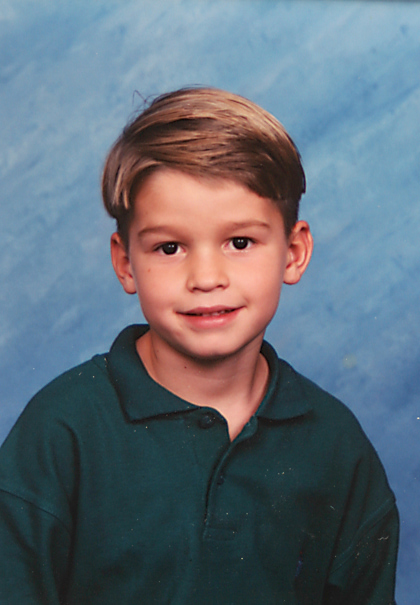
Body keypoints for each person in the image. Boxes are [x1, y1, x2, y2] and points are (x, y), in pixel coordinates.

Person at [0, 87, 398, 604]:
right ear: (125, 263)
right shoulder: (61, 431)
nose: (206, 277)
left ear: (294, 253)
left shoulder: (336, 446)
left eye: (240, 242)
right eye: (169, 247)